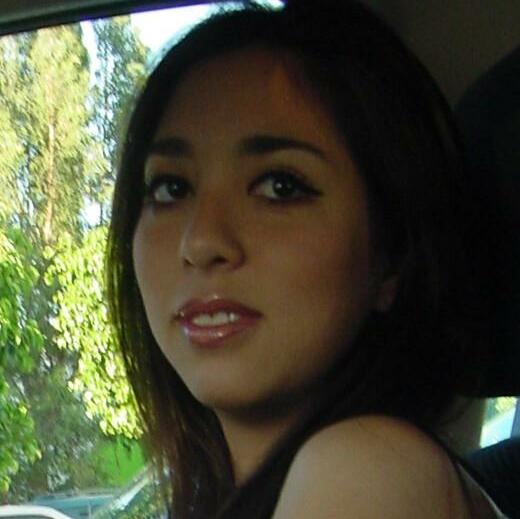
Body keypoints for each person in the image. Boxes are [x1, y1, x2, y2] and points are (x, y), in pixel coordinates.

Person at [106, 1, 505, 517]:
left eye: (280, 186)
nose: (200, 241)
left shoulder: (368, 470)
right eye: (171, 188)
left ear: (391, 257)